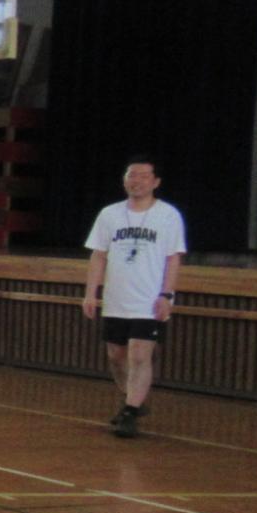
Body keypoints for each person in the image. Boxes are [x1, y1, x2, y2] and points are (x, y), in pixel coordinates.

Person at [82, 157, 185, 439]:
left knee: (140, 354)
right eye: (131, 175)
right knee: (116, 356)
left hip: (148, 300)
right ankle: (132, 398)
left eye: (143, 175)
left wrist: (166, 294)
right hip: (117, 298)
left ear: (156, 182)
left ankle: (130, 412)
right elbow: (98, 255)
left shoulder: (168, 215)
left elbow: (173, 258)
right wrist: (91, 292)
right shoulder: (109, 214)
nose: (136, 180)